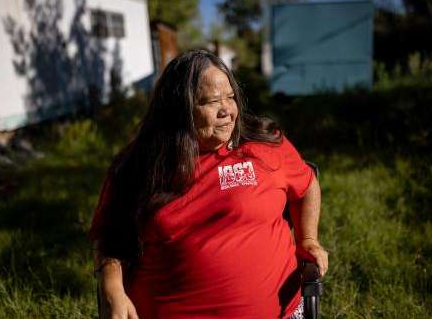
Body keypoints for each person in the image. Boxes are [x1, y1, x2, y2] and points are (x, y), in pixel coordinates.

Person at [88, 50, 328, 319]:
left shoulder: (264, 144)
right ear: (180, 110)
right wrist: (110, 285)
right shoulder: (138, 165)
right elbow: (110, 236)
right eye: (213, 101)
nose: (227, 110)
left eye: (230, 97)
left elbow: (307, 184)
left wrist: (308, 238)